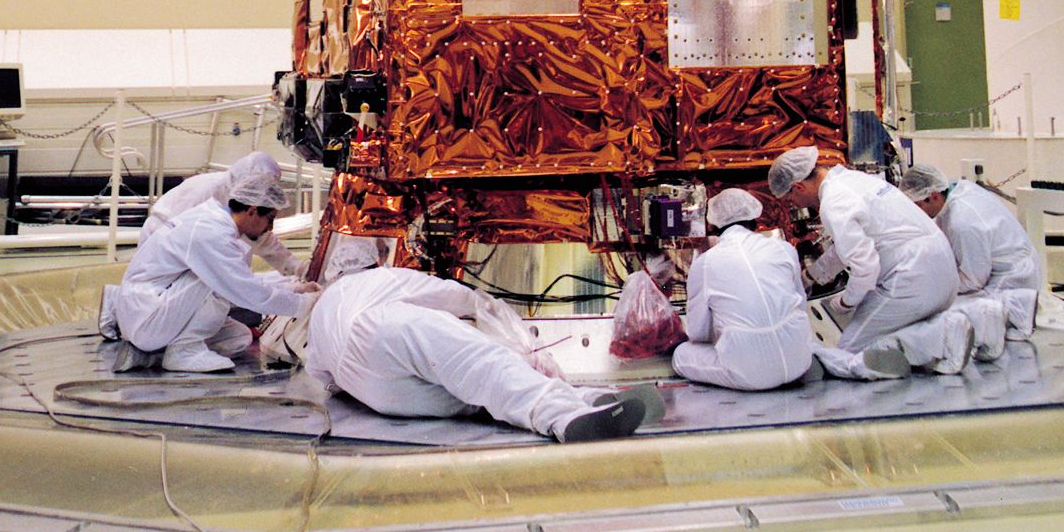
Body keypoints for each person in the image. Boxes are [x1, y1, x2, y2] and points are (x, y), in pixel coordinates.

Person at [305, 248, 661, 442]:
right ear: (374, 262)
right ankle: (565, 415)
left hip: (382, 398)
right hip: (383, 331)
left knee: (477, 394)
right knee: (486, 364)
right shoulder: (381, 279)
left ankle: (586, 401)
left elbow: (321, 375)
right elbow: (453, 296)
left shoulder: (321, 310)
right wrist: (490, 313)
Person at [767, 145, 970, 373]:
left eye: (790, 198)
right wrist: (811, 277)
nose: (794, 205)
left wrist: (846, 302)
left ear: (798, 187)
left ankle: (942, 335)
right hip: (943, 270)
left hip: (911, 279)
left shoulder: (834, 202)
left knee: (848, 353)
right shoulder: (854, 180)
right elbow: (846, 248)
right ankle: (941, 331)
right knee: (886, 334)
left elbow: (865, 267)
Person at [98, 174, 305, 372]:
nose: (270, 228)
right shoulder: (210, 231)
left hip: (152, 311)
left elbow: (243, 280)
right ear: (252, 211)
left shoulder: (215, 220)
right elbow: (244, 289)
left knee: (237, 338)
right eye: (269, 218)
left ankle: (152, 356)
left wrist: (292, 289)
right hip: (147, 316)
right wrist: (303, 305)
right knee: (217, 282)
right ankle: (184, 351)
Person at [669, 188, 830, 391]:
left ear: (711, 224)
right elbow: (800, 302)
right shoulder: (784, 249)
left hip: (750, 375)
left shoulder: (705, 264)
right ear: (755, 217)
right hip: (800, 362)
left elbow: (698, 333)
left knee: (681, 354)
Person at [898, 164, 1040, 349]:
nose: (916, 213)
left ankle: (1018, 305)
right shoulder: (959, 189)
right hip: (1010, 266)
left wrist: (932, 287)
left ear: (933, 196)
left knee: (944, 315)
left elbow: (974, 281)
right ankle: (1017, 303)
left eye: (917, 207)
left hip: (1012, 278)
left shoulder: (962, 223)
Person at [143, 150, 298, 273]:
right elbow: (176, 235)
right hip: (162, 245)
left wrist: (295, 267)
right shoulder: (206, 190)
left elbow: (259, 237)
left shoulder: (241, 203)